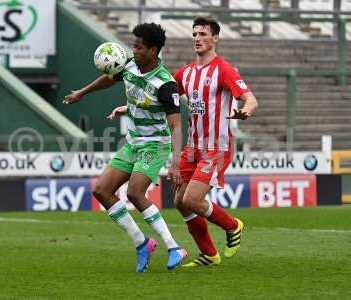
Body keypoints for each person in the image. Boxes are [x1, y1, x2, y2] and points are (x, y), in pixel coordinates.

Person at [63, 23, 187, 273]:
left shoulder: (165, 85)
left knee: (135, 193)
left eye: (138, 47)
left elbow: (176, 126)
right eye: (133, 45)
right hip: (133, 142)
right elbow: (110, 79)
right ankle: (142, 243)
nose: (134, 50)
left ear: (153, 51)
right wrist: (83, 93)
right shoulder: (130, 64)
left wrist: (175, 163)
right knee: (101, 190)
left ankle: (174, 247)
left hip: (155, 144)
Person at [173, 17, 259, 267]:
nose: (197, 38)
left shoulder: (224, 69)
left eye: (202, 34)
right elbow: (164, 99)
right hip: (192, 147)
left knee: (191, 200)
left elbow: (250, 99)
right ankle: (209, 254)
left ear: (215, 39)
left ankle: (233, 226)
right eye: (194, 34)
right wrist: (129, 107)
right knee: (180, 202)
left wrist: (246, 111)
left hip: (216, 147)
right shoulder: (186, 73)